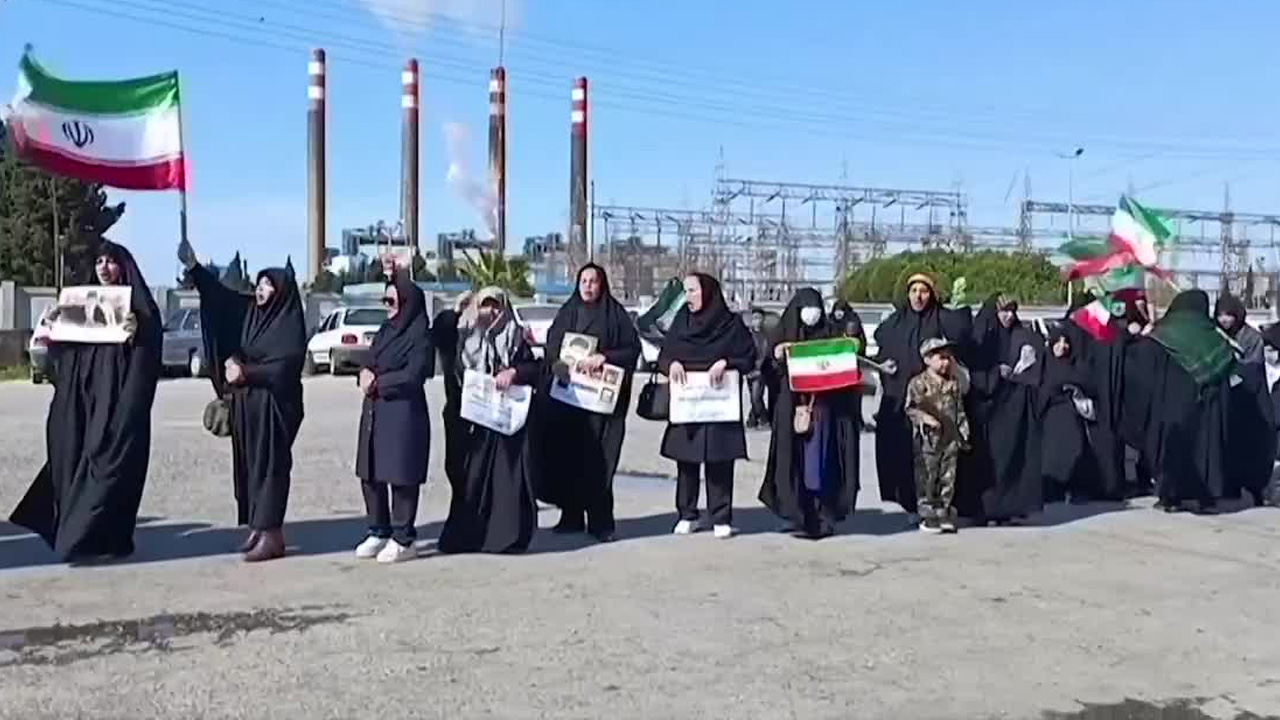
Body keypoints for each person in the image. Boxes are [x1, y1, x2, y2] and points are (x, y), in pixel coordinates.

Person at [10, 240, 162, 562]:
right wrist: (53, 331)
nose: (104, 268)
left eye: (110, 262)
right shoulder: (83, 307)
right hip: (82, 405)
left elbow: (147, 359)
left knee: (110, 469)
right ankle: (78, 536)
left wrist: (139, 334)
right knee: (71, 458)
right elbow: (67, 358)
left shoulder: (141, 309)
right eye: (99, 262)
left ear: (123, 266)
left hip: (117, 407)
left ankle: (91, 539)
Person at [179, 237, 307, 561]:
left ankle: (272, 534)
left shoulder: (288, 325)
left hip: (275, 410)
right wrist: (194, 267)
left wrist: (247, 372)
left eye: (268, 285)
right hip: (248, 408)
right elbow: (220, 298)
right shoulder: (251, 313)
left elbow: (285, 367)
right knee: (250, 466)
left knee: (271, 467)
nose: (262, 289)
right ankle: (257, 525)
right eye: (260, 283)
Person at [539, 264, 641, 542]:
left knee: (599, 462)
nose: (588, 286)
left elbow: (632, 350)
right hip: (569, 403)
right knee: (567, 459)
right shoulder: (568, 312)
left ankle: (601, 523)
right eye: (583, 281)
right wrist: (556, 364)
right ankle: (570, 516)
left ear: (602, 284)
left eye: (593, 281)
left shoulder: (615, 315)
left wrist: (605, 357)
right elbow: (552, 347)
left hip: (600, 409)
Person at [438, 287, 541, 554]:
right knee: (466, 481)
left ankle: (504, 538)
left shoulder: (515, 335)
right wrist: (457, 310)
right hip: (466, 421)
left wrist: (514, 372)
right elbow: (437, 333)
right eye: (486, 305)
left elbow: (535, 370)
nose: (492, 311)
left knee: (504, 482)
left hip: (503, 425)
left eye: (497, 306)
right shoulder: (461, 334)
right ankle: (466, 537)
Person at [658, 273, 757, 539]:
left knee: (720, 461)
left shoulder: (731, 325)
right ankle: (687, 513)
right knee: (687, 462)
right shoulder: (681, 322)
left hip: (719, 406)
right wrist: (672, 364)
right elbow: (664, 355)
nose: (687, 297)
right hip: (688, 404)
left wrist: (726, 362)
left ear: (708, 292)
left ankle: (721, 516)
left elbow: (749, 357)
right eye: (686, 291)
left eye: (692, 291)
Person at [757, 288, 860, 539]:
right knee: (792, 463)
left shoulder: (830, 334)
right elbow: (767, 373)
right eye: (806, 306)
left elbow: (846, 366)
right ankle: (795, 514)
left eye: (815, 306)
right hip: (790, 410)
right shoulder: (781, 336)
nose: (811, 313)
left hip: (824, 413)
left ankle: (824, 514)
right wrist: (776, 356)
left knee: (821, 464)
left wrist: (854, 348)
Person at [870, 273, 971, 519]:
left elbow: (963, 331)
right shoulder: (896, 323)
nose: (918, 295)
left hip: (934, 402)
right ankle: (910, 504)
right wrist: (883, 366)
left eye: (923, 290)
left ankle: (937, 506)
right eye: (913, 290)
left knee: (936, 459)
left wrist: (958, 307)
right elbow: (880, 347)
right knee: (903, 455)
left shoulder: (941, 319)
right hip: (902, 400)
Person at [1126, 290, 1232, 514]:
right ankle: (1206, 497)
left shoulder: (1163, 334)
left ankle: (1170, 496)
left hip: (1169, 407)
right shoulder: (1213, 336)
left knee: (1171, 447)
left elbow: (1140, 367)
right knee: (1206, 446)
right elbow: (1228, 367)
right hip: (1205, 407)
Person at [353, 270, 433, 563]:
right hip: (375, 410)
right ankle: (379, 529)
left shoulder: (419, 334)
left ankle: (403, 537)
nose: (389, 307)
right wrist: (363, 374)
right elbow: (370, 359)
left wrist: (379, 382)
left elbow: (415, 374)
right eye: (385, 301)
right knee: (371, 472)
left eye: (393, 300)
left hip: (403, 412)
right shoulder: (386, 330)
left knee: (401, 475)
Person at [965, 294, 1044, 523]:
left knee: (1012, 459)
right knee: (985, 463)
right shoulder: (980, 336)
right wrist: (994, 373)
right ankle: (982, 510)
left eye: (1012, 311)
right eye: (1003, 311)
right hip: (985, 411)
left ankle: (1009, 508)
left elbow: (1036, 368)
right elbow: (972, 370)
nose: (1009, 316)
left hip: (1014, 409)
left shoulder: (1021, 335)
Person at [905, 338, 970, 534]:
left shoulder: (953, 383)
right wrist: (925, 418)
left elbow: (959, 410)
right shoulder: (918, 383)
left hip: (950, 439)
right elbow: (910, 409)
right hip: (928, 441)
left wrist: (964, 432)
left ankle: (944, 512)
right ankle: (927, 514)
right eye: (941, 358)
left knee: (947, 476)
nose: (945, 363)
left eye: (948, 358)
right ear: (927, 359)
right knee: (927, 476)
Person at [1215, 292, 1273, 504]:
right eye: (1221, 315)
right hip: (1225, 398)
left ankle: (1256, 488)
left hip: (1250, 398)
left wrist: (1234, 362)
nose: (1224, 320)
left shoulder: (1251, 337)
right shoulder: (1215, 334)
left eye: (1229, 315)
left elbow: (1253, 368)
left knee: (1252, 445)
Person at [1037, 327, 1100, 503]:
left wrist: (1073, 386)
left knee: (1076, 450)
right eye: (1059, 342)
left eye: (1066, 342)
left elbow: (1086, 383)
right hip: (1050, 416)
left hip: (1070, 414)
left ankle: (1076, 489)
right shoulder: (1045, 364)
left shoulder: (1074, 364)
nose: (1062, 346)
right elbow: (1041, 390)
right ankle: (1052, 489)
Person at [431, 291, 473, 496]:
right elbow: (438, 332)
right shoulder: (453, 340)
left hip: (487, 417)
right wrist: (456, 310)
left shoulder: (494, 337)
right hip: (457, 410)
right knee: (457, 469)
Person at [746, 307, 771, 428]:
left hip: (761, 370)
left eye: (760, 318)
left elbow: (766, 352)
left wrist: (760, 366)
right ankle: (752, 419)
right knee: (754, 397)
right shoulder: (748, 334)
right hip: (749, 370)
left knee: (756, 397)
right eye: (755, 318)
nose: (757, 320)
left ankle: (764, 418)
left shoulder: (766, 335)